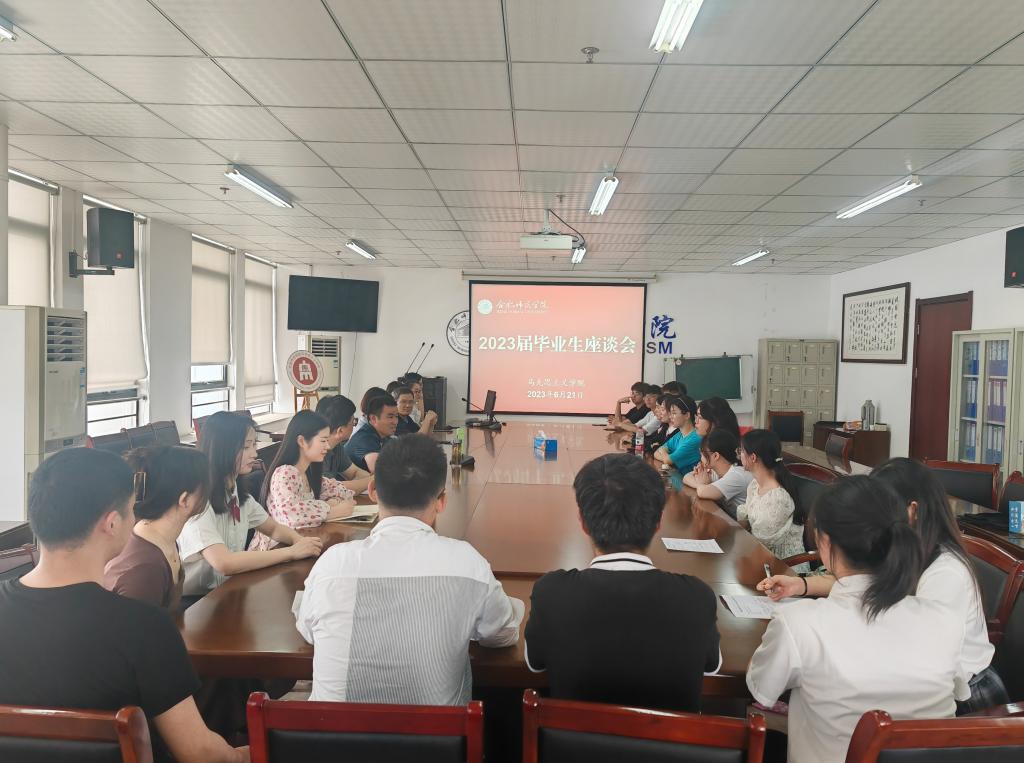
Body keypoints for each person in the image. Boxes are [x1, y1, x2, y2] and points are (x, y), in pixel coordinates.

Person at [0, 448, 248, 763]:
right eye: (132, 510)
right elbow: (200, 753)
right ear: (112, 523)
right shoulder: (143, 627)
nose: (136, 520)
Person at [759, 457, 1006, 715]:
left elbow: (918, 646)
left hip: (964, 698)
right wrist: (800, 585)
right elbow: (862, 583)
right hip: (911, 681)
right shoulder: (901, 549)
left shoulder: (946, 573)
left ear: (912, 511)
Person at [747, 476, 968, 763]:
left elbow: (761, 689)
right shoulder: (945, 620)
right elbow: (958, 693)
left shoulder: (799, 623)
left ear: (825, 542)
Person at [296, 434, 524, 704]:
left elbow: (308, 630)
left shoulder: (332, 564)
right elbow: (502, 633)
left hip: (330, 731)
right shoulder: (467, 564)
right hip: (437, 732)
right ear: (441, 501)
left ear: (373, 491)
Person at [525, 453, 721, 712]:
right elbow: (711, 666)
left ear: (583, 522)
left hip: (572, 740)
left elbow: (535, 663)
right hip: (670, 739)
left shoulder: (551, 593)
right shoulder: (697, 598)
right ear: (658, 523)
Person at [178, 411, 322, 596]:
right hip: (198, 601)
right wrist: (291, 552)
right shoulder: (198, 502)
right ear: (222, 449)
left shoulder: (237, 493)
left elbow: (274, 529)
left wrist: (300, 541)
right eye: (246, 447)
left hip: (229, 589)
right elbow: (224, 563)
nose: (255, 453)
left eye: (254, 445)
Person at [104, 446, 210, 611]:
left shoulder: (161, 537)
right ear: (185, 500)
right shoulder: (145, 571)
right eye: (204, 489)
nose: (208, 494)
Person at [249, 411, 357, 551]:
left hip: (301, 544)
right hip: (275, 550)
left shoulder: (308, 473)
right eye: (323, 441)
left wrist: (332, 502)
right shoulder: (285, 473)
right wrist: (332, 509)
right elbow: (292, 515)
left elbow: (344, 492)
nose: (328, 446)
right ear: (302, 441)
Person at [737, 429, 805, 563]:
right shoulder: (755, 485)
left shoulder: (778, 498)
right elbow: (747, 516)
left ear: (753, 458)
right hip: (759, 556)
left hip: (782, 564)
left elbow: (762, 542)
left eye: (742, 451)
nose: (739, 455)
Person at [682, 429, 752, 519]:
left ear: (715, 456)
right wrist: (700, 484)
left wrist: (702, 484)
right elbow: (686, 477)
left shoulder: (736, 475)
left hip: (745, 526)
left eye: (702, 454)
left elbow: (703, 492)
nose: (701, 458)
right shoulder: (715, 470)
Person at [315, 394, 372, 495]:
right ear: (340, 431)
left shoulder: (336, 446)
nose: (354, 426)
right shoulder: (314, 452)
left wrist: (348, 487)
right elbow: (330, 490)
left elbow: (355, 472)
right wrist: (374, 479)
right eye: (353, 422)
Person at [344, 394, 399, 472]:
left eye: (396, 416)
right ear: (373, 419)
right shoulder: (364, 439)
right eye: (390, 417)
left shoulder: (384, 437)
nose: (395, 422)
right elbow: (381, 472)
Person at [653, 395, 701, 473]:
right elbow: (656, 453)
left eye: (674, 413)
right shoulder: (679, 434)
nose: (670, 417)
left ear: (687, 415)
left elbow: (668, 460)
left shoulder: (695, 438)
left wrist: (663, 452)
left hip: (687, 479)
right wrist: (665, 456)